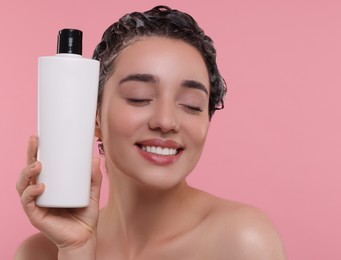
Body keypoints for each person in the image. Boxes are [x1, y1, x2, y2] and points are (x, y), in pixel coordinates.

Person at [15, 5, 286, 259]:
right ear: (94, 115)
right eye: (139, 97)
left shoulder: (242, 241)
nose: (166, 121)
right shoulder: (40, 253)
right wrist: (76, 249)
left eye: (191, 105)